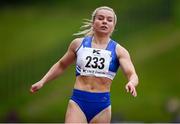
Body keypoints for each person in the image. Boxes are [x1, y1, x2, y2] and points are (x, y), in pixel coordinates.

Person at [30, 6, 139, 123]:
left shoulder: (119, 51)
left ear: (113, 26)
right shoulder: (78, 44)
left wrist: (132, 83)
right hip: (78, 101)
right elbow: (62, 65)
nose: (104, 22)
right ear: (93, 22)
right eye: (100, 18)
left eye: (109, 20)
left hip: (102, 105)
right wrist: (43, 81)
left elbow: (132, 74)